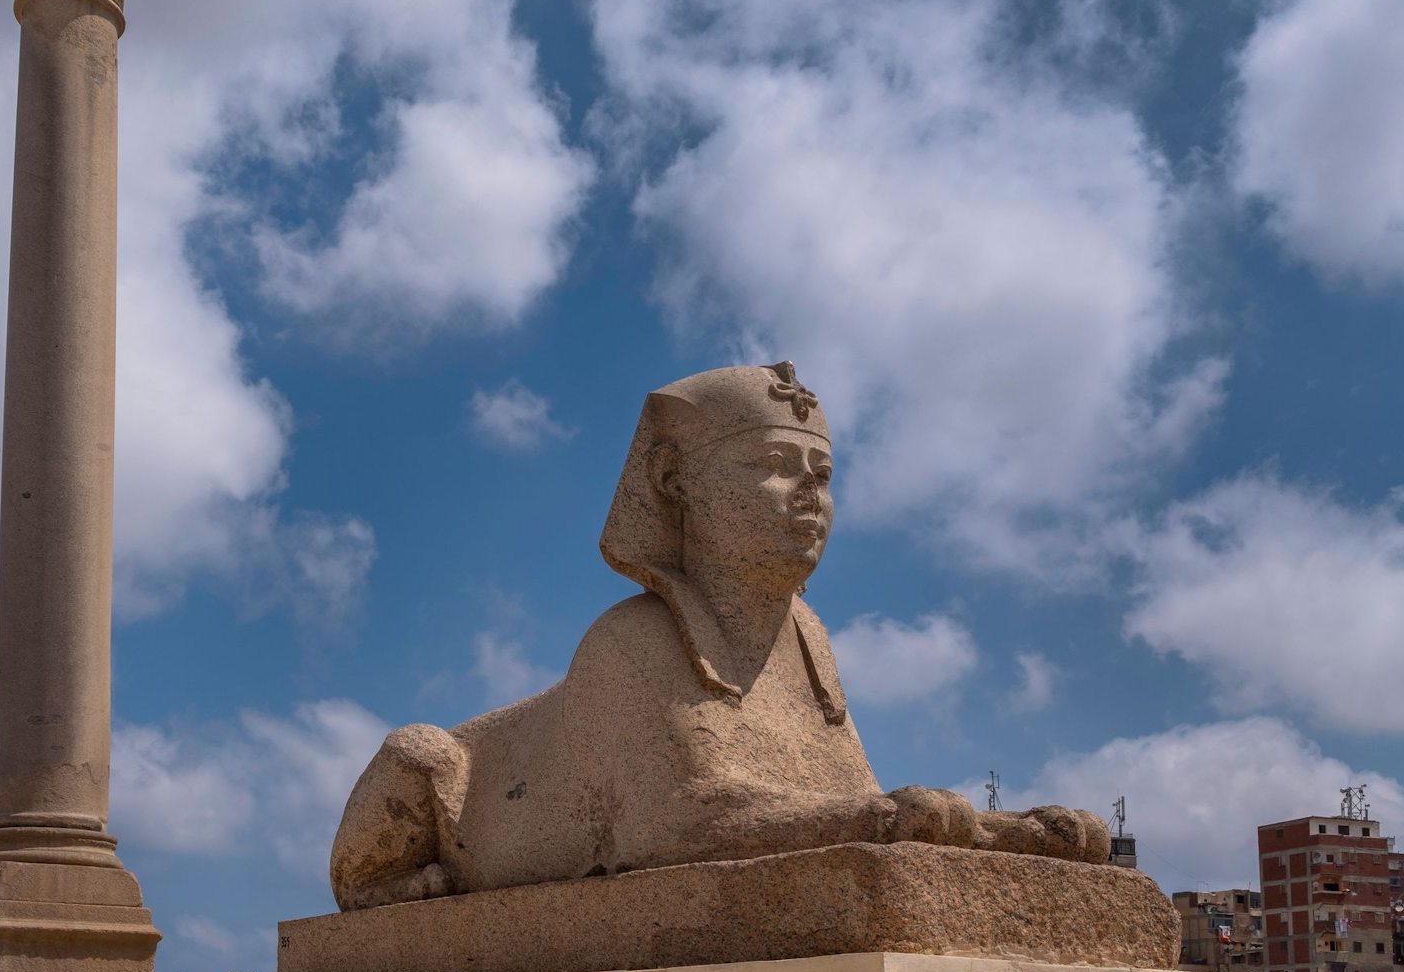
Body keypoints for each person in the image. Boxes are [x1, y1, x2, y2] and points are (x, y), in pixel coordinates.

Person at [330, 363, 1109, 908]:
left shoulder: (809, 641)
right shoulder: (629, 642)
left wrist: (1010, 831)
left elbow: (858, 801)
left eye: (822, 472)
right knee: (420, 753)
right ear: (675, 481)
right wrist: (881, 820)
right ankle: (375, 890)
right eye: (773, 462)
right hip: (470, 824)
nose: (810, 492)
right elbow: (676, 824)